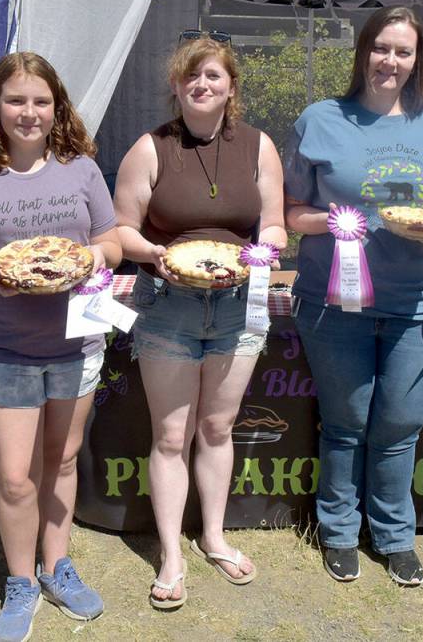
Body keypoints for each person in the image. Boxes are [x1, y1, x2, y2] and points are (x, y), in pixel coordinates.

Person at [283, 6, 423, 585]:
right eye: (381, 48)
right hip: (333, 300)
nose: (390, 61)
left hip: (422, 302)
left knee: (399, 425)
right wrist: (345, 222)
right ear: (363, 52)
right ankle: (339, 530)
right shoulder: (320, 119)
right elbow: (291, 212)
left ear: (418, 60)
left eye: (404, 51)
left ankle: (393, 534)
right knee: (344, 421)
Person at [0, 52, 121, 640]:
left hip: (76, 342)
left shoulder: (82, 170)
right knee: (17, 476)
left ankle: (56, 565)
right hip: (7, 347)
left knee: (63, 460)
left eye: (41, 101)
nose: (29, 112)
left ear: (56, 107)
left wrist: (92, 259)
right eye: (16, 100)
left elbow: (110, 243)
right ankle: (21, 581)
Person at [113, 32, 286, 609]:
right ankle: (171, 554)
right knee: (169, 435)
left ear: (231, 86)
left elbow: (276, 224)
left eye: (213, 76)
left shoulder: (259, 146)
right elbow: (124, 229)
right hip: (168, 304)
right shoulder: (149, 148)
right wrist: (154, 255)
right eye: (192, 76)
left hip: (239, 306)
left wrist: (268, 250)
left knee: (217, 428)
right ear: (176, 85)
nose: (202, 84)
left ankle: (212, 536)